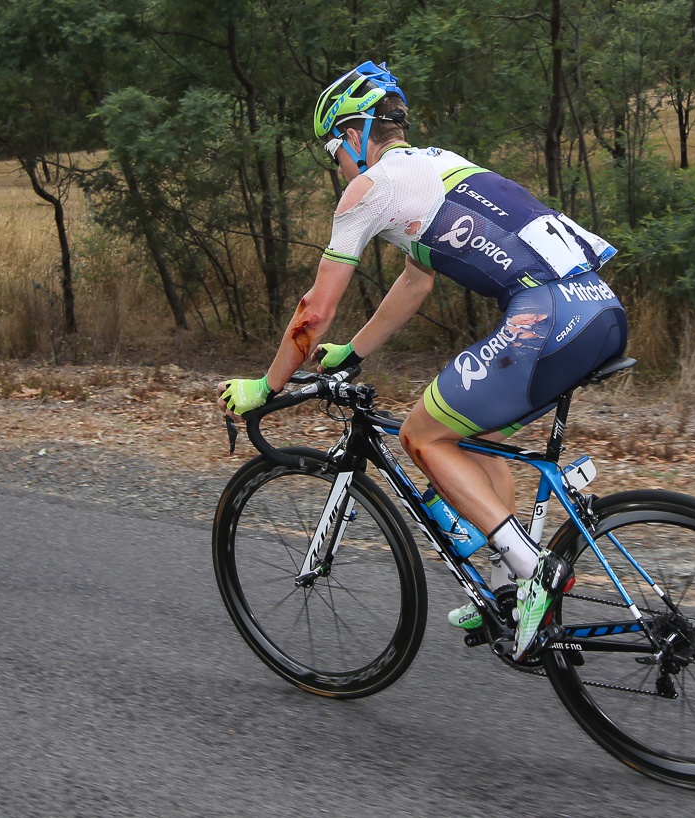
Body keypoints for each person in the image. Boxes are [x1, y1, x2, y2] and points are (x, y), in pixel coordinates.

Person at [217, 61, 627, 661]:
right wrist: (354, 352)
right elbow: (416, 281)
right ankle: (515, 589)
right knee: (477, 432)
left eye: (333, 147)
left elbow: (313, 310)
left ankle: (533, 569)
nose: (336, 164)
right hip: (600, 309)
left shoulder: (371, 185)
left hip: (549, 316)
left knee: (422, 435)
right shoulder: (439, 166)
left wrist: (266, 385)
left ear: (355, 134)